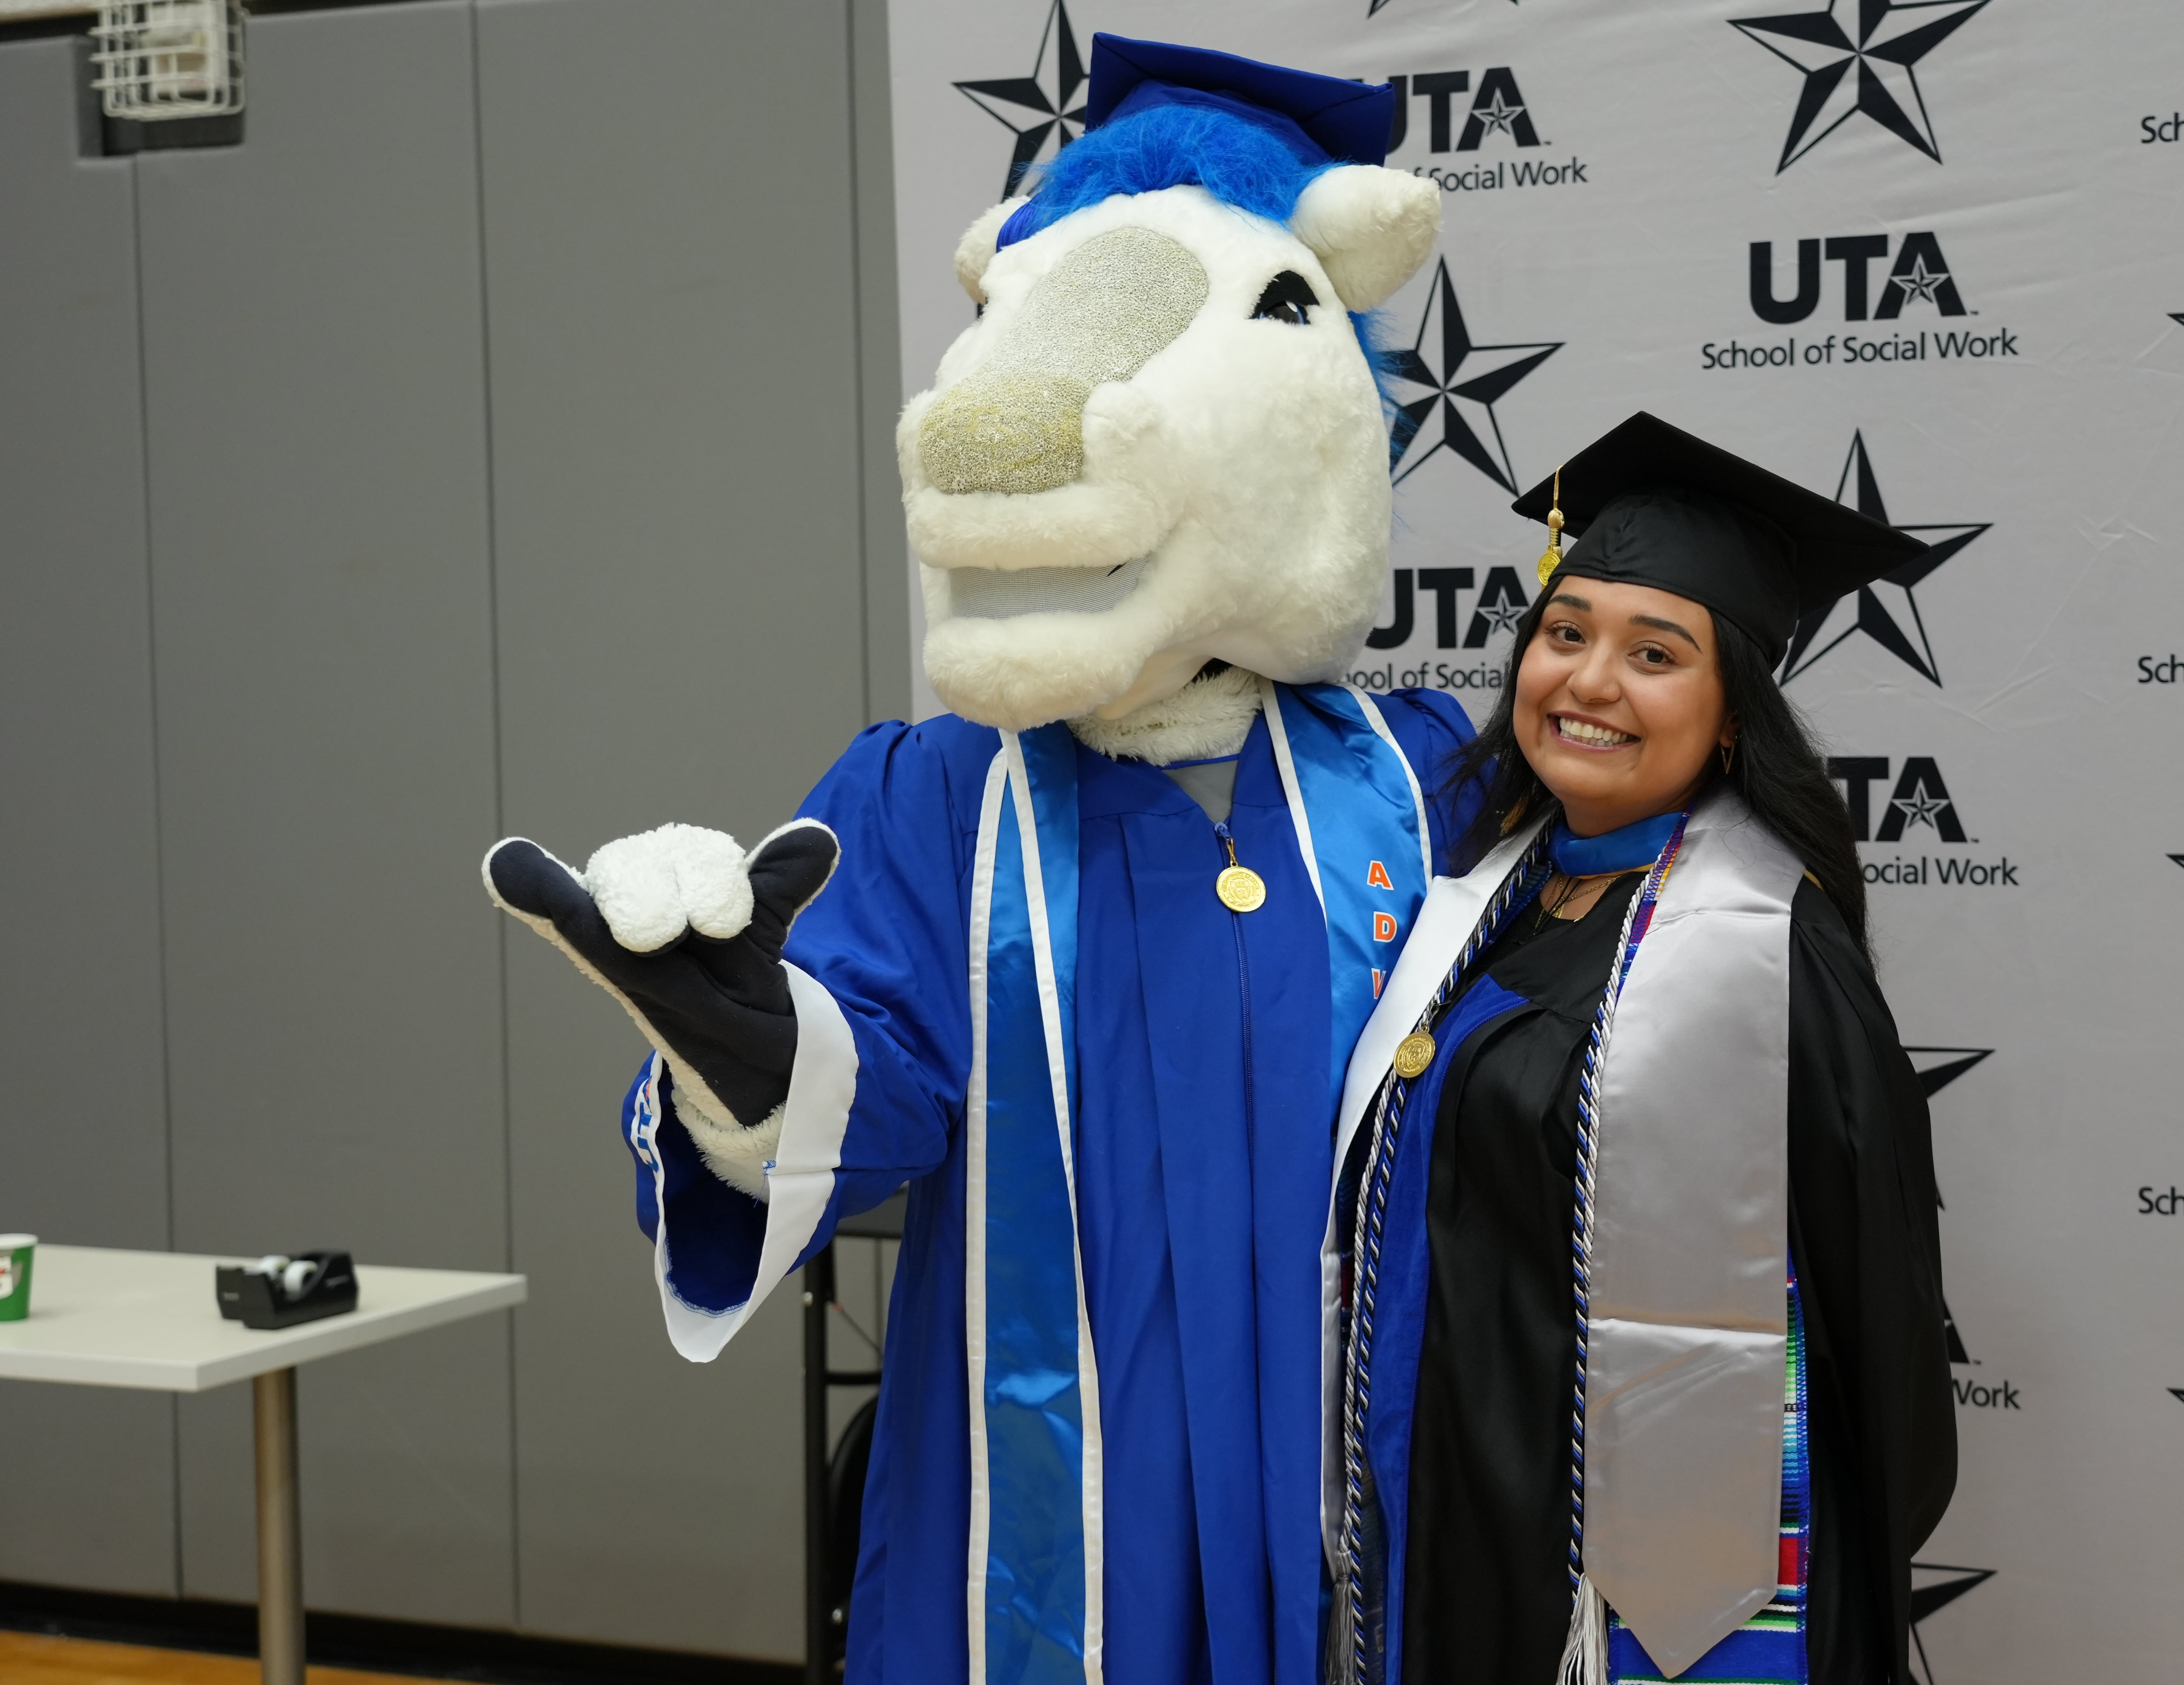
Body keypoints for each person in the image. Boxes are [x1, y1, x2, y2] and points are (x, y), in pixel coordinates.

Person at [480, 38, 1456, 1685]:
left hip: (1362, 1475)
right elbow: (882, 1101)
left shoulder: (1418, 781)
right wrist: (751, 1060)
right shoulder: (941, 801)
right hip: (1055, 1521)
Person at [1322, 413, 1955, 1685]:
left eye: (1653, 653)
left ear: (1732, 718)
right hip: (1437, 1520)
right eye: (1566, 635)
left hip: (1624, 1588)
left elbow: (1864, 1330)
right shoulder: (1476, 905)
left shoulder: (1770, 957)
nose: (1589, 682)